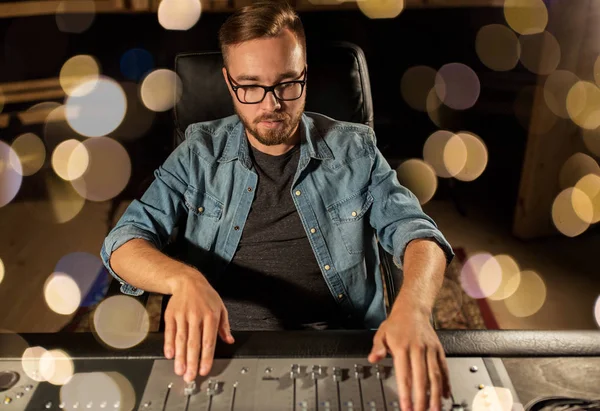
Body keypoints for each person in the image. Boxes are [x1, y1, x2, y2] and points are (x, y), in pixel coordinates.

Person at [101, 1, 454, 410]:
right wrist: (184, 281)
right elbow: (124, 240)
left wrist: (412, 307)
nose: (271, 105)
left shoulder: (354, 149)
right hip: (216, 354)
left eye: (287, 83)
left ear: (305, 75)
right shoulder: (198, 153)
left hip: (343, 349)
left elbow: (419, 233)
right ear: (228, 81)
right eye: (250, 86)